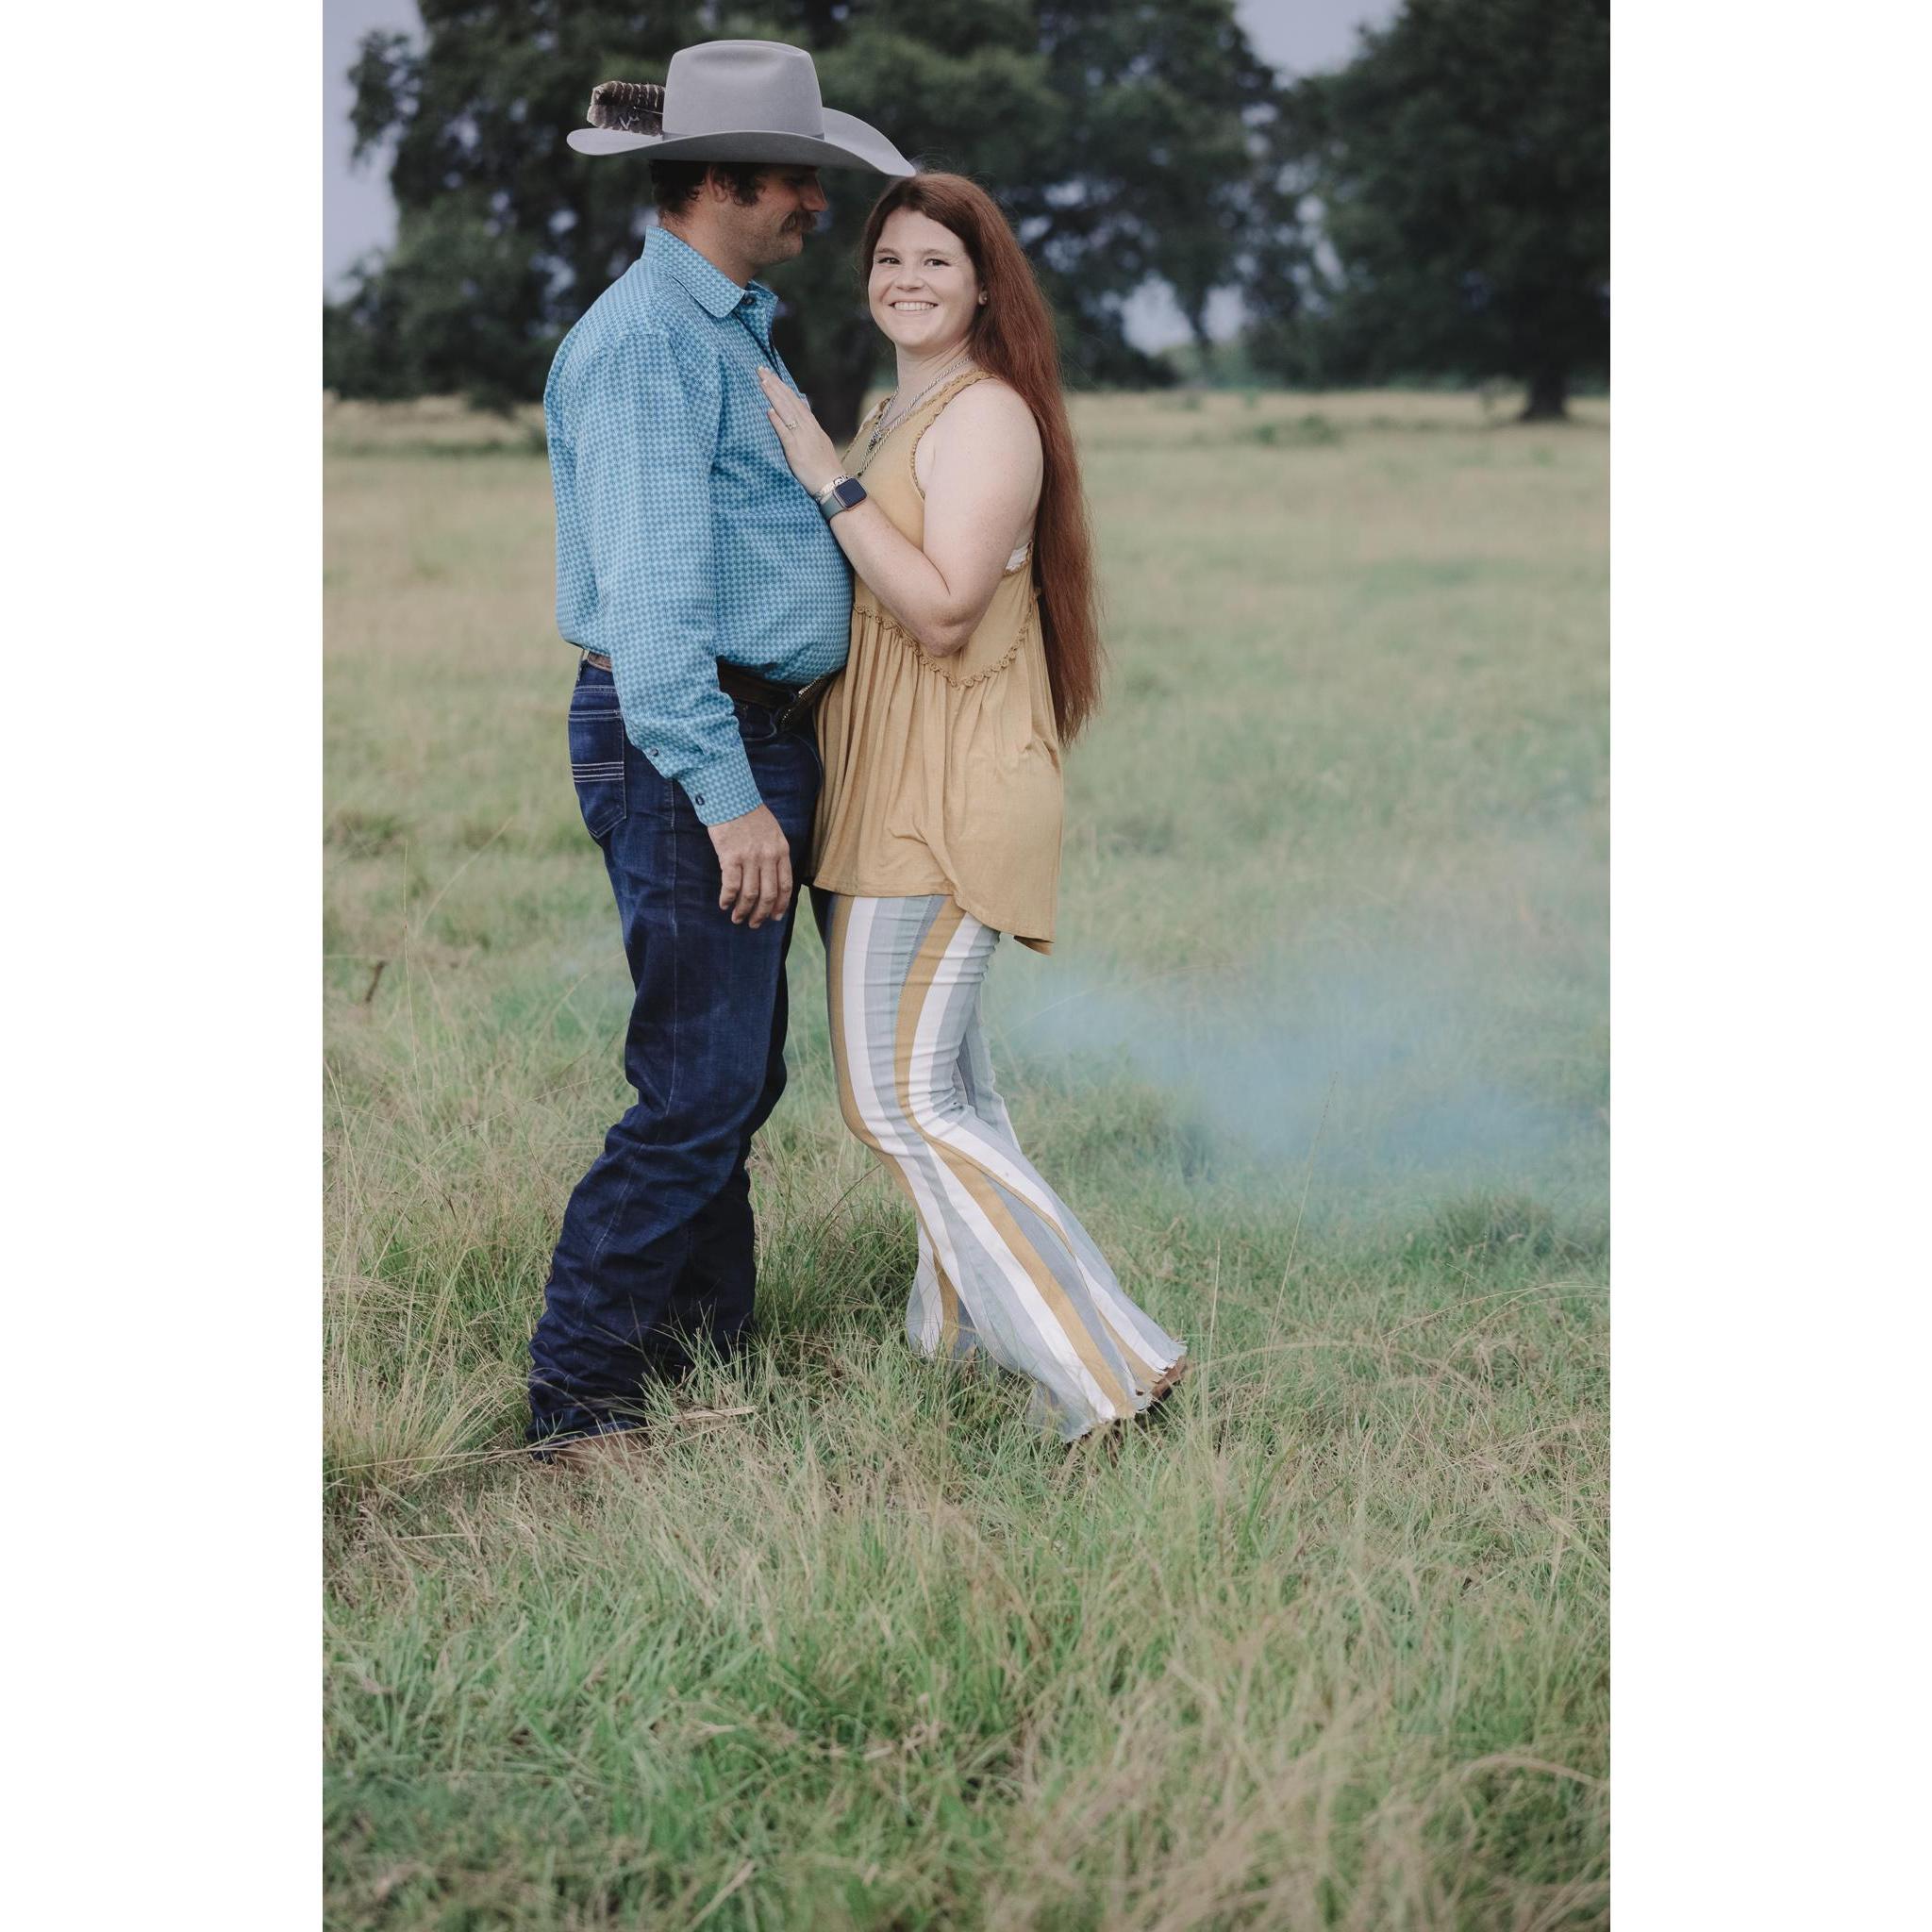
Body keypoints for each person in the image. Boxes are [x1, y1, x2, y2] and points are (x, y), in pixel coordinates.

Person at [525, 42, 915, 1467]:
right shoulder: (648, 344)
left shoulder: (727, 325)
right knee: (695, 1088)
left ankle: (702, 1348)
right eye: (798, 180)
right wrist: (728, 795)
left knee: (736, 1080)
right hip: (694, 740)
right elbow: (652, 603)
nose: (818, 205)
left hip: (749, 735)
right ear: (722, 183)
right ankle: (578, 1403)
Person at [758, 174, 1190, 1443]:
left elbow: (944, 611)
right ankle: (951, 1339)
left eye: (936, 262)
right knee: (950, 1089)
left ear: (986, 285)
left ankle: (1111, 1372)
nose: (905, 280)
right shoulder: (902, 409)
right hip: (888, 785)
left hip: (946, 799)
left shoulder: (988, 416)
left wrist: (827, 481)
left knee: (898, 1102)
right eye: (888, 258)